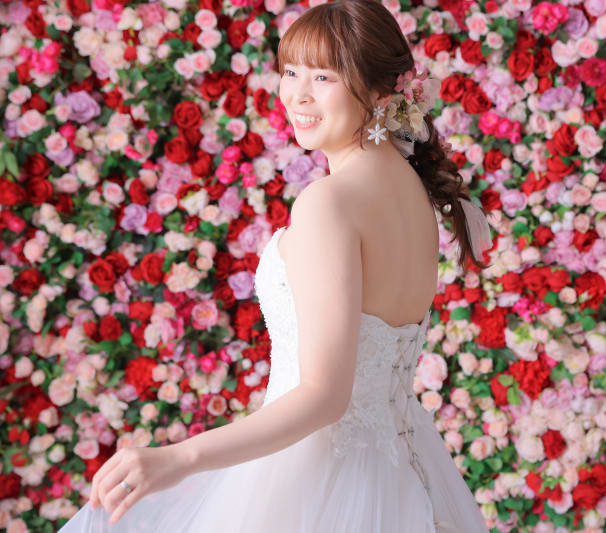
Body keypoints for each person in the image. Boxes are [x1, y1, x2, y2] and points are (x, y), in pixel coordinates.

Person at [58, 0, 492, 531]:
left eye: (324, 76)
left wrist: (180, 458)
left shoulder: (330, 202)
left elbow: (324, 397)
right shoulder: (415, 195)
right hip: (406, 474)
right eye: (290, 72)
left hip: (317, 480)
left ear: (384, 92)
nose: (298, 95)